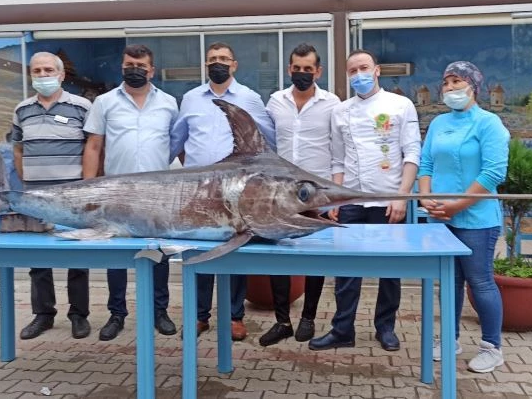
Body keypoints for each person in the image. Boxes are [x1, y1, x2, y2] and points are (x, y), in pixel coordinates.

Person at [308, 49, 421, 352]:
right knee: (346, 269)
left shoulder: (400, 105)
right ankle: (342, 329)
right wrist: (335, 201)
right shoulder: (341, 111)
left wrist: (402, 198)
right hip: (351, 200)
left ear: (377, 70)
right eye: (353, 70)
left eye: (364, 68)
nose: (359, 74)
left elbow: (411, 154)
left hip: (387, 199)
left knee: (389, 269)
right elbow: (337, 160)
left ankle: (385, 327)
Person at [170, 41, 276, 341]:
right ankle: (199, 316)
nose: (218, 63)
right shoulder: (190, 98)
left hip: (235, 192)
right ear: (206, 65)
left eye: (223, 59)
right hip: (198, 192)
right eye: (212, 59)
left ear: (235, 65)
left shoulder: (250, 98)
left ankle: (233, 316)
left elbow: (268, 139)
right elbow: (178, 141)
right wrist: (195, 168)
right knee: (198, 251)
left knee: (233, 252)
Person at [82, 44, 179, 341]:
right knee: (117, 253)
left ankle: (159, 311)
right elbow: (94, 146)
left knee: (158, 252)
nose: (134, 69)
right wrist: (88, 187)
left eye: (140, 65)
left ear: (152, 70)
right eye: (128, 65)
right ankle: (117, 313)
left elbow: (179, 147)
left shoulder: (169, 103)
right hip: (117, 191)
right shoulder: (104, 102)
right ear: (122, 67)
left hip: (157, 194)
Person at [419, 61, 509, 373]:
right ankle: (450, 339)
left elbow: (494, 171)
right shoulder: (438, 124)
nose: (450, 88)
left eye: (457, 81)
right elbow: (426, 164)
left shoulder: (489, 123)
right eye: (446, 83)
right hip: (440, 218)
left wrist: (457, 205)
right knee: (449, 282)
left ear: (473, 86)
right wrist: (427, 197)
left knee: (480, 281)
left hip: (477, 219)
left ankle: (491, 346)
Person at [259, 43, 340, 346]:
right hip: (279, 193)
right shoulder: (275, 102)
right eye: (297, 68)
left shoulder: (332, 103)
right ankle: (282, 321)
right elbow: (265, 142)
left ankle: (308, 317)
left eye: (309, 69)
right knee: (277, 255)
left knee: (314, 255)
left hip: (315, 193)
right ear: (289, 68)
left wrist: (333, 195)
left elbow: (339, 149)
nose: (302, 73)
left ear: (318, 71)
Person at [12, 52, 92, 340]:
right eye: (37, 70)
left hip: (72, 195)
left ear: (61, 75)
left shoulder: (82, 106)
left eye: (48, 70)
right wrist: (26, 181)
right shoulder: (22, 109)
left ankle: (78, 315)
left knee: (78, 256)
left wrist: (87, 186)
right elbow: (18, 147)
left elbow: (92, 147)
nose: (42, 75)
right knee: (38, 258)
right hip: (37, 195)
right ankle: (43, 314)